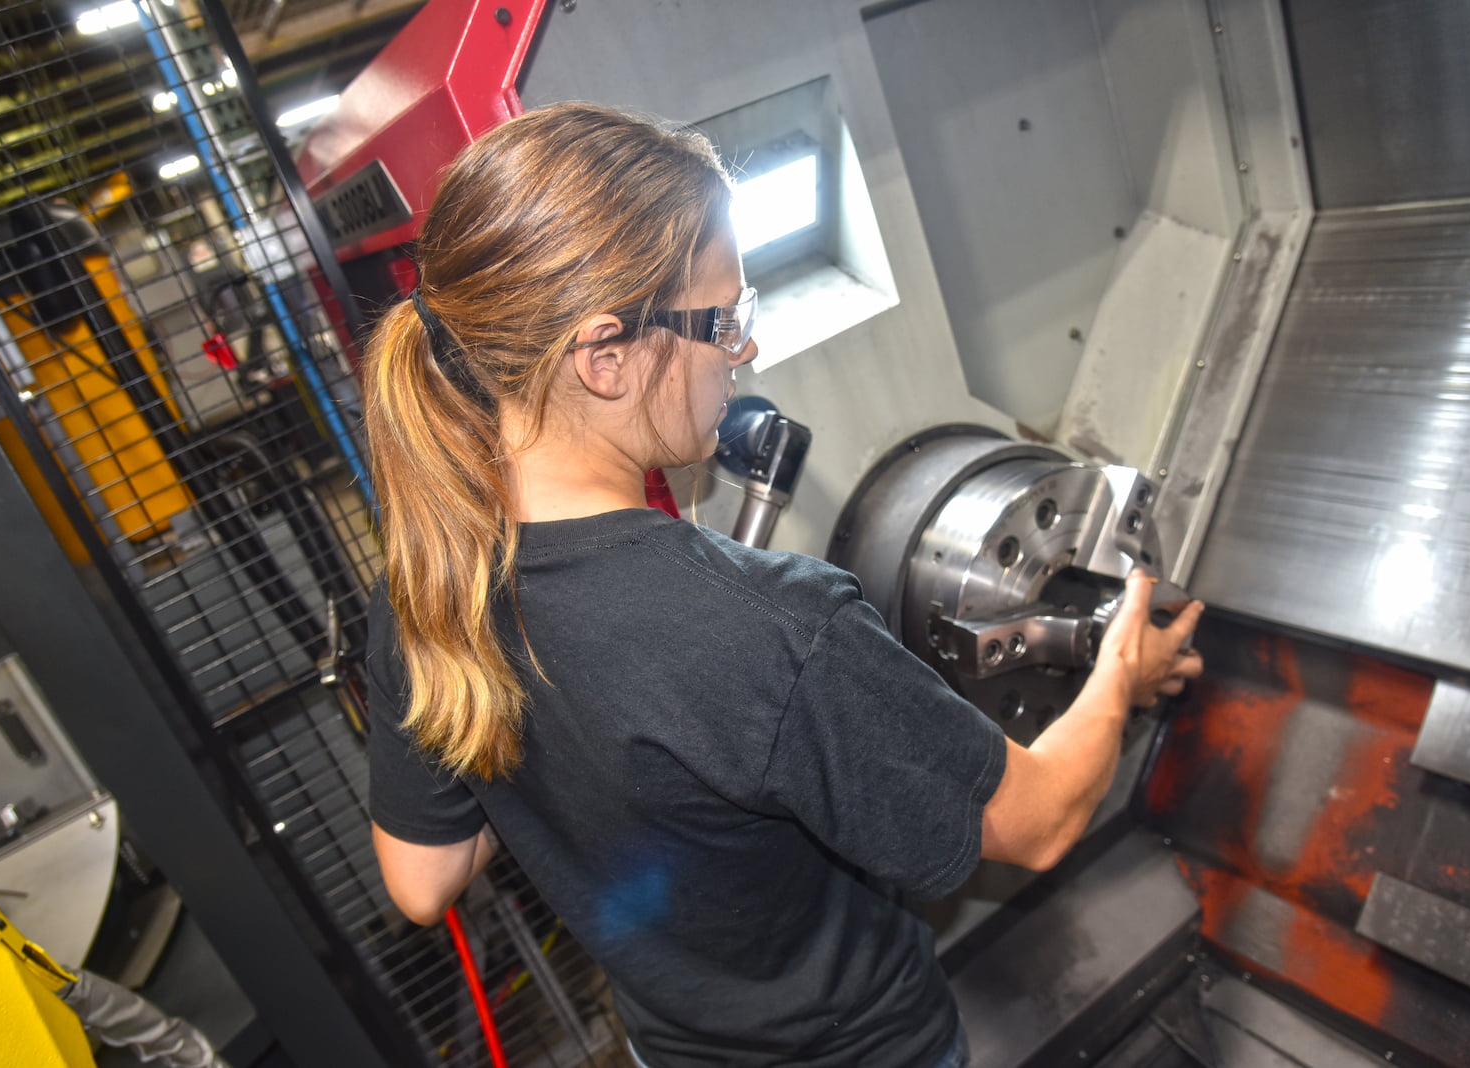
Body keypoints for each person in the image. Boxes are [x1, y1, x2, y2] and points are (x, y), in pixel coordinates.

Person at [362, 101, 1204, 1068]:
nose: (746, 350)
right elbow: (1044, 821)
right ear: (605, 356)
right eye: (725, 319)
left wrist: (573, 777)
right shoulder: (771, 631)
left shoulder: (424, 591)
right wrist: (1122, 673)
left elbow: (423, 879)